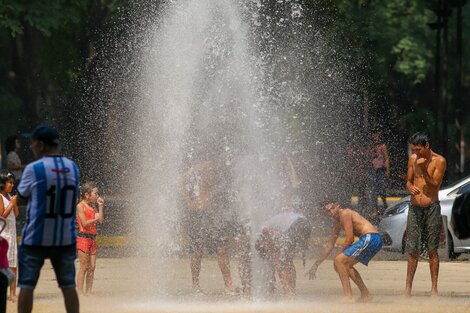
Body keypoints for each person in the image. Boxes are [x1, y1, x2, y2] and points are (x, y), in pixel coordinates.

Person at [17, 124, 80, 313]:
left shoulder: (33, 169)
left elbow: (22, 196)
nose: (31, 147)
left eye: (33, 144)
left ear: (42, 145)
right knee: (68, 285)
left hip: (35, 238)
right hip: (65, 239)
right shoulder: (73, 167)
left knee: (27, 285)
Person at [308, 199, 382, 303]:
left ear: (337, 205)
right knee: (345, 265)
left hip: (371, 237)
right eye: (328, 211)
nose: (332, 212)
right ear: (325, 213)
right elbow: (329, 246)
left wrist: (337, 256)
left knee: (339, 261)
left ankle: (348, 296)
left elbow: (350, 238)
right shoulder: (336, 224)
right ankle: (365, 294)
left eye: (332, 208)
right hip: (372, 239)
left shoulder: (345, 213)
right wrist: (316, 265)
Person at [181, 159, 236, 295]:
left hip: (214, 214)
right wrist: (188, 201)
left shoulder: (219, 167)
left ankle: (229, 285)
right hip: (197, 214)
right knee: (197, 251)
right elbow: (181, 182)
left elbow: (223, 189)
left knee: (222, 249)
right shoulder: (195, 169)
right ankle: (195, 285)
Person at [404, 132, 446, 297]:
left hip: (431, 207)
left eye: (418, 149)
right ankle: (407, 289)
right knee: (412, 250)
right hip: (415, 208)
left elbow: (435, 185)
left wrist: (423, 168)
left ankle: (434, 289)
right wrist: (409, 187)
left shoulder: (439, 161)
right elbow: (408, 180)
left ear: (427, 146)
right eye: (413, 149)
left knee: (432, 250)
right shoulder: (413, 159)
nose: (416, 153)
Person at [255, 207, 311, 296]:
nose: (267, 250)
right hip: (306, 225)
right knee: (288, 260)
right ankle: (292, 290)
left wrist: (271, 278)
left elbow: (272, 234)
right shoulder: (276, 222)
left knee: (280, 261)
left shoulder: (264, 228)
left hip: (295, 225)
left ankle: (287, 291)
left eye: (265, 248)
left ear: (262, 242)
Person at [76, 182, 104, 295]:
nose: (97, 195)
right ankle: (80, 293)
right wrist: (95, 219)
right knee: (84, 267)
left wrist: (101, 207)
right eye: (95, 193)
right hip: (83, 239)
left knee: (92, 267)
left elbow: (101, 221)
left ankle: (89, 292)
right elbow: (84, 223)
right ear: (87, 195)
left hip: (92, 239)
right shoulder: (80, 206)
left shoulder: (93, 206)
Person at [0, 172, 19, 302]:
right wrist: (11, 203)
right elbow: (1, 216)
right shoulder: (0, 197)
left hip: (12, 234)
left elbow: (16, 214)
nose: (12, 185)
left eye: (13, 182)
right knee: (3, 265)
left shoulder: (9, 196)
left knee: (13, 265)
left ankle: (13, 294)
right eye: (9, 182)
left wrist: (14, 203)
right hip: (3, 235)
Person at [368, 132, 390, 217]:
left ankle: (385, 205)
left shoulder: (383, 146)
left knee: (381, 190)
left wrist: (387, 170)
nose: (375, 137)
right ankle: (375, 210)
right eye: (374, 135)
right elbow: (369, 158)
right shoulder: (371, 147)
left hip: (381, 170)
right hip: (373, 170)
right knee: (373, 191)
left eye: (376, 135)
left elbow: (387, 158)